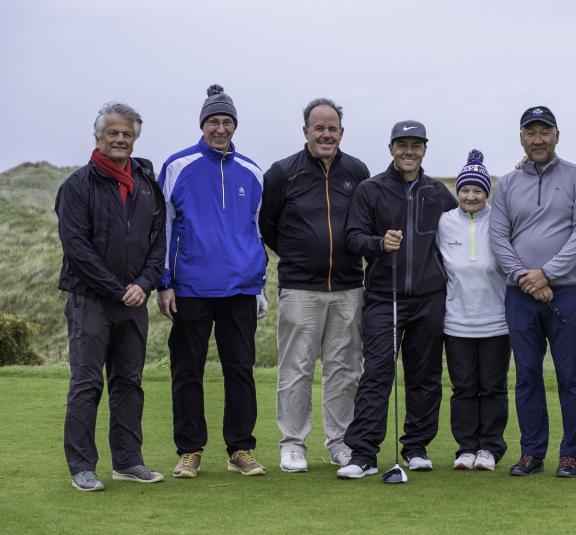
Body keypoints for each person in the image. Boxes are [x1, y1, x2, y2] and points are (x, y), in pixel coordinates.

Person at [157, 85, 268, 478]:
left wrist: (261, 285)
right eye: (213, 122)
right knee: (187, 370)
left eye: (227, 122)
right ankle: (189, 450)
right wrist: (164, 283)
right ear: (202, 125)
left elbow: (256, 230)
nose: (220, 129)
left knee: (240, 368)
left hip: (240, 287)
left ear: (235, 125)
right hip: (190, 287)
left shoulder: (253, 171)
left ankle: (240, 448)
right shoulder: (177, 166)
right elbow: (166, 228)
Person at [337, 120, 457, 479]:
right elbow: (353, 238)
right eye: (402, 144)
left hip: (429, 298)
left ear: (424, 148)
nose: (409, 151)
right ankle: (363, 453)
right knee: (377, 372)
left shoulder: (438, 194)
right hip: (384, 295)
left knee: (424, 375)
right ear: (391, 149)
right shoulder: (370, 190)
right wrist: (378, 244)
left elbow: (469, 221)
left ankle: (416, 447)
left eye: (415, 145)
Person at [56, 102, 166, 491]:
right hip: (91, 300)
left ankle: (128, 461)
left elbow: (158, 242)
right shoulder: (77, 186)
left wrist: (144, 283)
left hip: (134, 301)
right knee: (87, 384)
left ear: (135, 138)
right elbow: (77, 248)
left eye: (127, 134)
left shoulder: (146, 183)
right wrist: (117, 289)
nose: (120, 139)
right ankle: (83, 467)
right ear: (99, 136)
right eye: (113, 133)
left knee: (129, 383)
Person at [260, 98, 370, 472]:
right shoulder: (282, 173)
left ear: (341, 132)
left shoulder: (356, 171)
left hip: (348, 285)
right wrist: (298, 255)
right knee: (297, 368)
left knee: (344, 367)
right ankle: (293, 443)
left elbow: (364, 223)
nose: (326, 134)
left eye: (332, 128)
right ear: (305, 130)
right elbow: (269, 226)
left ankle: (340, 441)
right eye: (318, 127)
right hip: (300, 287)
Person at [490, 106, 576, 478]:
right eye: (530, 133)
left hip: (564, 292)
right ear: (521, 138)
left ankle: (571, 454)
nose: (538, 139)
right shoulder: (506, 183)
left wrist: (546, 274)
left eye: (544, 132)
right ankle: (532, 452)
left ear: (556, 136)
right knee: (528, 375)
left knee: (572, 375)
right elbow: (498, 237)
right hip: (519, 294)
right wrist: (524, 277)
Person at [437, 150, 511, 471]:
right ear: (457, 192)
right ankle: (466, 448)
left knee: (493, 387)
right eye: (465, 190)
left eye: (477, 190)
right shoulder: (445, 222)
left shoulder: (499, 219)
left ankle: (490, 448)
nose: (470, 196)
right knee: (463, 387)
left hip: (496, 323)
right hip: (456, 323)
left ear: (486, 193)